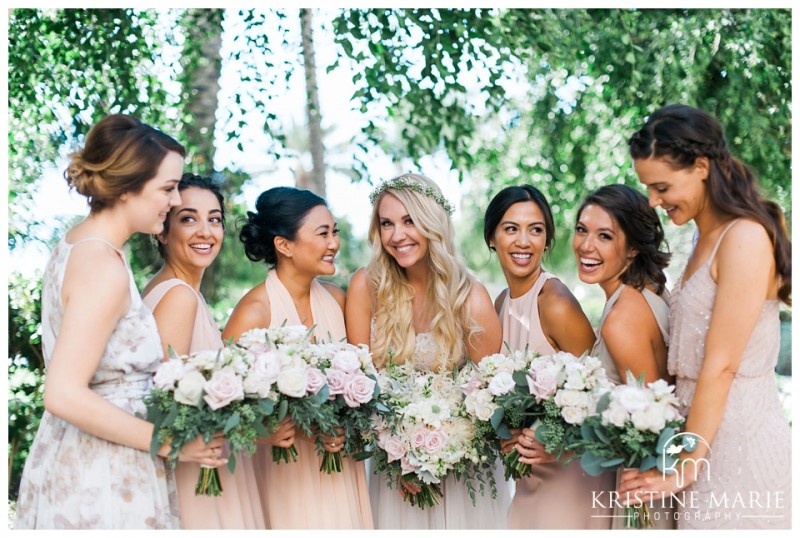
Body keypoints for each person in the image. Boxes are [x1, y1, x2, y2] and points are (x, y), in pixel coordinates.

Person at [14, 114, 225, 529]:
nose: (172, 201)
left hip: (89, 457)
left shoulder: (82, 244)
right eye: (167, 189)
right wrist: (172, 444)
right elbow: (62, 393)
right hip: (102, 477)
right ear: (128, 188)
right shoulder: (101, 265)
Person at [618, 103, 792, 529]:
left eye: (661, 187)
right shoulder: (700, 238)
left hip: (738, 446)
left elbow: (722, 363)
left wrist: (686, 465)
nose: (654, 202)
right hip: (698, 439)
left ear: (700, 166)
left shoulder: (745, 237)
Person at [346, 173, 510, 529]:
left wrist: (441, 450)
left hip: (462, 474)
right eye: (386, 223)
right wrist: (401, 451)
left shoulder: (470, 296)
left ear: (433, 223)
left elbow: (490, 397)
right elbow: (357, 386)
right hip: (393, 472)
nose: (396, 235)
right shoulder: (366, 286)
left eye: (409, 221)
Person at [221, 186, 373, 529]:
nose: (333, 243)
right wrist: (268, 430)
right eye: (323, 233)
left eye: (335, 232)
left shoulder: (337, 299)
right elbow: (222, 404)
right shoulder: (254, 311)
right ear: (284, 245)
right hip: (284, 473)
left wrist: (348, 425)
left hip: (340, 466)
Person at [483, 184, 610, 529]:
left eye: (535, 230)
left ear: (547, 239)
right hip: (528, 476)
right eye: (511, 229)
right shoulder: (500, 304)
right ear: (492, 238)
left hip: (571, 476)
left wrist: (560, 444)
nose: (524, 241)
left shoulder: (554, 301)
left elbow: (602, 394)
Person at [141, 173, 264, 529]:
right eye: (188, 219)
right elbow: (164, 403)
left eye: (214, 220)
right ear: (162, 231)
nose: (206, 232)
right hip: (194, 475)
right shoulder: (178, 296)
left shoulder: (172, 290)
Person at [573, 183, 675, 528]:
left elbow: (652, 423)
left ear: (632, 249)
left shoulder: (622, 319)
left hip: (643, 488)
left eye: (605, 236)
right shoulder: (648, 291)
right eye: (582, 230)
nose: (586, 246)